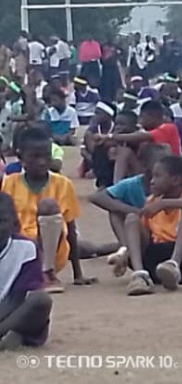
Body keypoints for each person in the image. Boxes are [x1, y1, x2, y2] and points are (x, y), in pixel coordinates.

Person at [106, 156, 182, 296]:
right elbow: (143, 234)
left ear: (175, 180)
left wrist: (165, 203)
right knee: (132, 219)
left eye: (157, 176)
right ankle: (140, 275)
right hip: (155, 258)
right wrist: (126, 254)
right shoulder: (152, 201)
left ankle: (173, 265)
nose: (152, 181)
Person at [1, 126, 89, 292]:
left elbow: (71, 229)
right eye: (35, 157)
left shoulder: (63, 184)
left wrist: (78, 273)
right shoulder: (9, 183)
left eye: (46, 156)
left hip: (54, 251)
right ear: (21, 158)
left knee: (48, 205)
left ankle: (47, 272)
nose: (42, 162)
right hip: (20, 248)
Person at [88, 144, 171, 246]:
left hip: (166, 234)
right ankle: (125, 247)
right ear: (144, 165)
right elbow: (97, 197)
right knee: (115, 209)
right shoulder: (132, 184)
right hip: (141, 231)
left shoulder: (171, 185)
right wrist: (136, 211)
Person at [0, 192, 53, 350]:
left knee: (41, 300)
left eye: (1, 221)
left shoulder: (26, 249)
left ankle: (6, 332)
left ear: (15, 225)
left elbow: (20, 297)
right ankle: (13, 335)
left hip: (10, 308)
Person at [103, 100, 182, 183]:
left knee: (135, 150)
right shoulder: (145, 130)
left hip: (168, 171)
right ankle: (114, 185)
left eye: (142, 117)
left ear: (153, 116)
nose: (139, 121)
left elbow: (141, 136)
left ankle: (117, 187)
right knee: (121, 151)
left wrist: (110, 136)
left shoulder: (168, 127)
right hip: (147, 171)